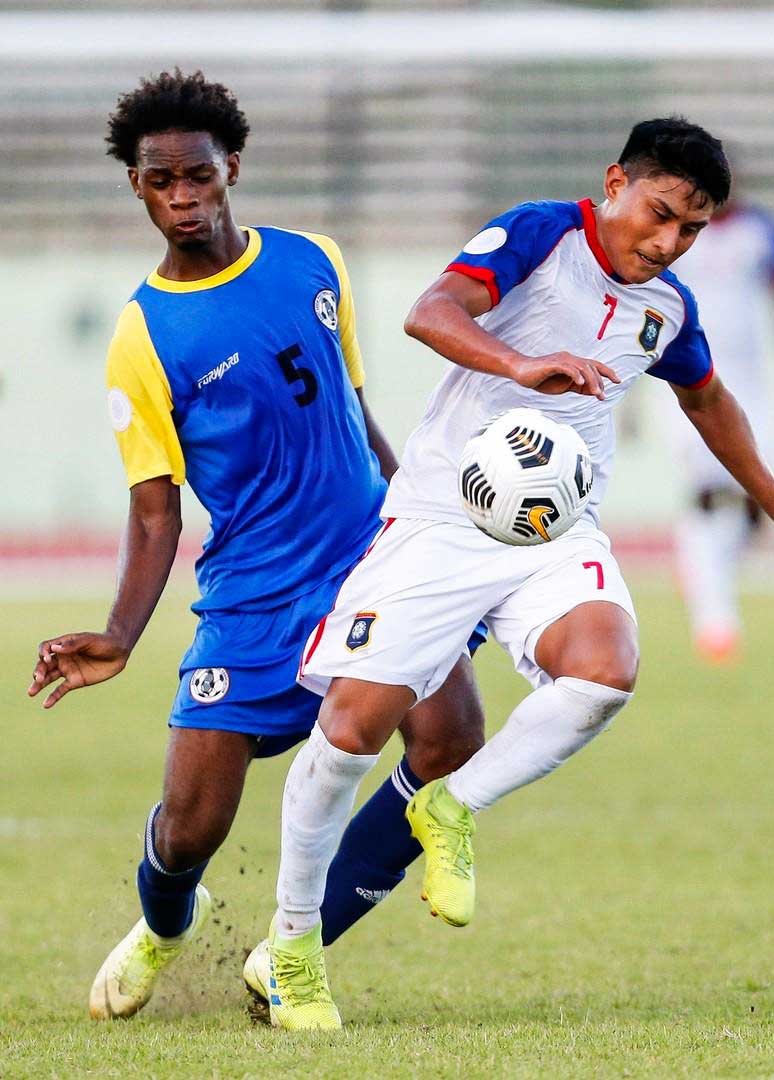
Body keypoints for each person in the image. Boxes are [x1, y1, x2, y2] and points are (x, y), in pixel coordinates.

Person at [241, 116, 774, 1031]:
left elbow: (709, 400)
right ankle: (293, 948)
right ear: (615, 181)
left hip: (552, 527)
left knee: (607, 670)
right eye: (657, 215)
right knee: (349, 733)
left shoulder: (667, 308)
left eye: (690, 231)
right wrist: (521, 364)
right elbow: (431, 311)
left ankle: (453, 805)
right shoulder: (543, 232)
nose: (667, 243)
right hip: (439, 519)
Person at [25, 70, 485, 1022]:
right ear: (138, 188)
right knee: (190, 830)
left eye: (197, 175)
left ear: (231, 167)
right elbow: (156, 512)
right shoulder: (144, 334)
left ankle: (292, 950)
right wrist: (119, 632)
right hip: (251, 594)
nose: (182, 198)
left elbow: (357, 410)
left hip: (369, 561)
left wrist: (423, 530)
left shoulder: (315, 259)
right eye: (161, 182)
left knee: (448, 739)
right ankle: (162, 928)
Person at [667, 191, 774, 662]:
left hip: (751, 388)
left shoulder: (761, 232)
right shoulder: (678, 235)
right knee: (710, 496)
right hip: (690, 383)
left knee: (760, 501)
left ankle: (700, 563)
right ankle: (714, 619)